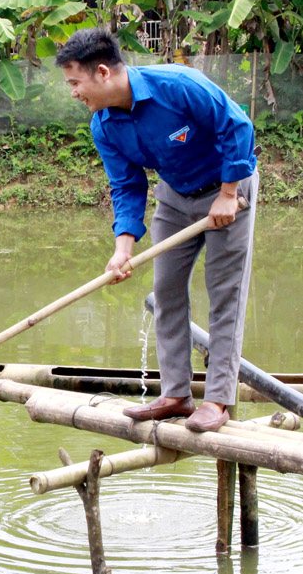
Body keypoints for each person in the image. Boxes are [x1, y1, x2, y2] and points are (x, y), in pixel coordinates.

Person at [55, 29, 257, 432]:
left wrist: (228, 192)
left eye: (75, 83)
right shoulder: (105, 125)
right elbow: (127, 186)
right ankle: (177, 395)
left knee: (224, 292)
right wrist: (122, 248)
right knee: (166, 290)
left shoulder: (178, 85)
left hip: (228, 191)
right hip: (175, 195)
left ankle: (217, 401)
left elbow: (237, 126)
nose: (74, 93)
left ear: (101, 73)